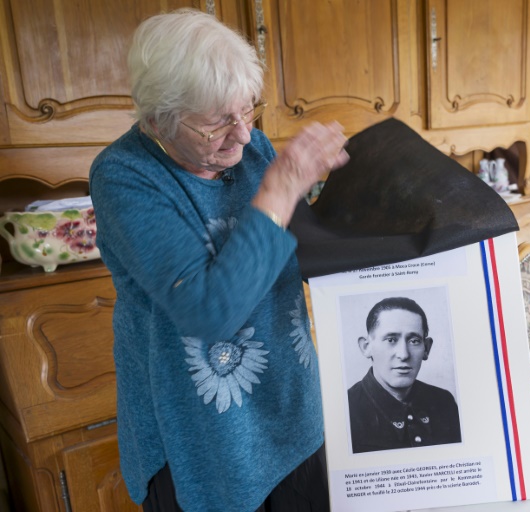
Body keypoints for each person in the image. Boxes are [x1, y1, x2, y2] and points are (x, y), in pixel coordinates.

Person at [89, 9, 348, 512]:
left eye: (247, 110)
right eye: (216, 124)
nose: (244, 136)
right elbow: (210, 312)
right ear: (156, 119)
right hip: (202, 439)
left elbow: (291, 242)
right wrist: (281, 187)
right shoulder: (124, 176)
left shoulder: (251, 149)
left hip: (291, 411)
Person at [347, 297, 462, 453]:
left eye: (414, 341)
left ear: (426, 348)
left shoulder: (444, 402)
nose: (403, 354)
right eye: (391, 339)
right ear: (366, 347)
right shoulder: (347, 410)